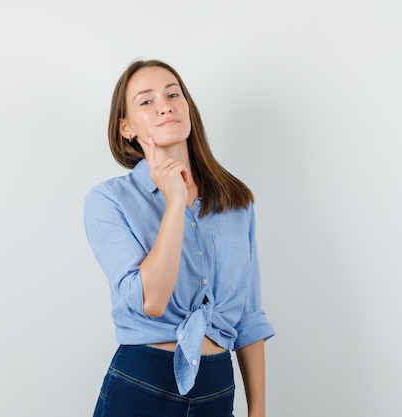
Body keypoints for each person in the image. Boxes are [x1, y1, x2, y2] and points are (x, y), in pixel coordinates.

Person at [83, 59, 275, 417]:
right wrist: (174, 202)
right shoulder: (109, 202)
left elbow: (249, 317)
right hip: (141, 386)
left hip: (217, 391)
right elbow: (151, 300)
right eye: (146, 101)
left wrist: (258, 410)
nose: (165, 105)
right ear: (126, 128)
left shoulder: (236, 202)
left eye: (173, 94)